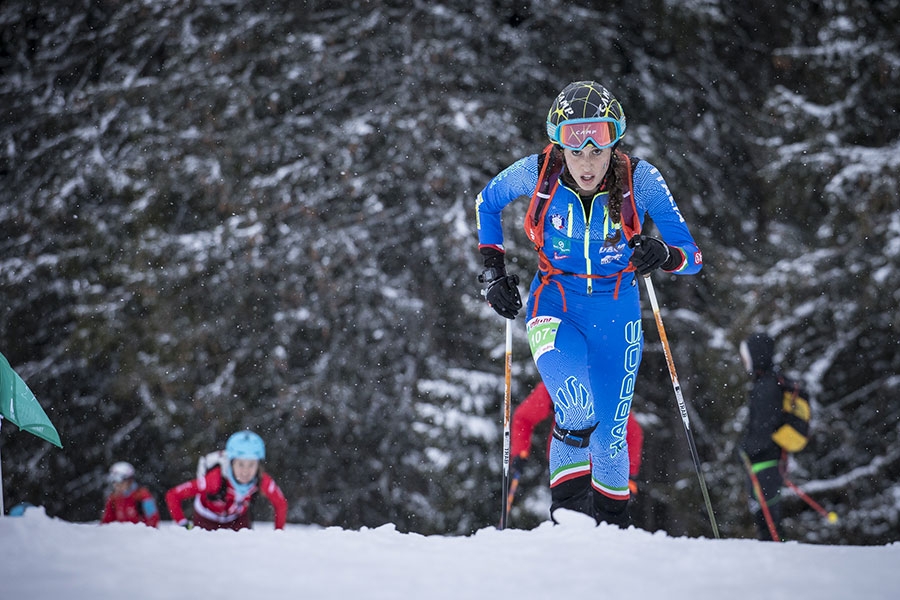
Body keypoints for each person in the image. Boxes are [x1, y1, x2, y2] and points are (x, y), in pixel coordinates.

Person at [475, 80, 702, 526]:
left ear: (613, 142)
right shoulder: (536, 173)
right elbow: (487, 201)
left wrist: (664, 255)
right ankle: (570, 529)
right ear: (560, 146)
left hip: (617, 317)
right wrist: (492, 272)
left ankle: (612, 539)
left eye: (597, 150)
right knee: (576, 410)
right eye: (576, 150)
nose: (586, 162)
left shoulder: (642, 179)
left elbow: (692, 256)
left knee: (611, 440)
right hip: (554, 305)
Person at [510, 380, 644, 495]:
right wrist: (520, 452)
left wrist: (628, 476)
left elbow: (631, 432)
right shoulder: (555, 381)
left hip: (599, 472)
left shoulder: (603, 383)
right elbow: (524, 418)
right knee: (567, 518)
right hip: (563, 465)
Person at [165, 430, 288, 531]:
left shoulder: (261, 480)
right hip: (206, 520)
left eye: (251, 465)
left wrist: (278, 532)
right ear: (231, 463)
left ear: (258, 466)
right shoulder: (215, 479)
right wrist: (183, 524)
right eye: (240, 464)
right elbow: (173, 495)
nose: (245, 471)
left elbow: (281, 503)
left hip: (237, 520)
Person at [739, 332, 786, 541]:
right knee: (765, 513)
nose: (744, 362)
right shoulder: (767, 382)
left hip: (765, 459)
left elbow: (763, 427)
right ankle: (773, 548)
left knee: (768, 516)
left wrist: (746, 448)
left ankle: (776, 552)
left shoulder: (767, 386)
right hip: (766, 458)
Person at [100, 461, 160, 527]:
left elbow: (153, 518)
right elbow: (106, 522)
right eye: (114, 482)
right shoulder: (113, 499)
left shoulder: (142, 496)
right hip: (121, 535)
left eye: (121, 482)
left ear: (130, 481)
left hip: (142, 534)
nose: (117, 486)